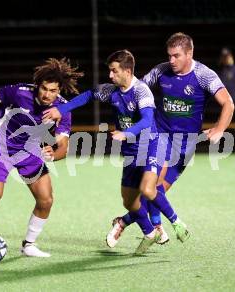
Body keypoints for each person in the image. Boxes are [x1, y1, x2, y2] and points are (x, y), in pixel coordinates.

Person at [43, 49, 184, 254]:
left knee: (150, 188)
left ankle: (173, 223)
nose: (110, 75)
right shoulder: (112, 92)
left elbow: (146, 120)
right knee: (129, 201)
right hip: (131, 153)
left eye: (114, 70)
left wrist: (126, 133)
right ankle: (149, 232)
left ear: (127, 70)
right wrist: (61, 110)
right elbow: (89, 95)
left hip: (151, 146)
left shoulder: (141, 91)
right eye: (110, 71)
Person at [0, 58, 84, 257]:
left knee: (45, 200)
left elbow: (63, 146)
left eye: (52, 90)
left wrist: (54, 155)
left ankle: (28, 245)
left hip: (29, 151)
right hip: (1, 146)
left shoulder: (63, 110)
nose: (47, 94)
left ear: (59, 90)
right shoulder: (21, 92)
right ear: (38, 86)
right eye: (44, 88)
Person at [108, 32, 235, 247]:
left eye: (177, 56)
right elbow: (138, 87)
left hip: (186, 146)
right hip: (161, 138)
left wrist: (220, 129)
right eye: (169, 56)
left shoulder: (204, 75)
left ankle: (125, 221)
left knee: (157, 194)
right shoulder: (161, 70)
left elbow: (228, 103)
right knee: (152, 188)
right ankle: (156, 227)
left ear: (189, 53)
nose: (172, 61)